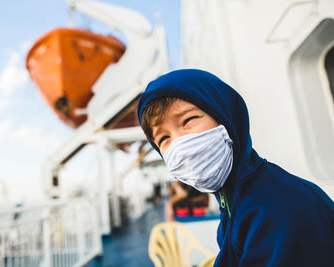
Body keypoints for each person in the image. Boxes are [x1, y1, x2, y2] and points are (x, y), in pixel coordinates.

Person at [137, 69, 334, 266]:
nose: (180, 145)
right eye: (163, 138)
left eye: (188, 120)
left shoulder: (278, 209)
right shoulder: (234, 202)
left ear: (226, 117)